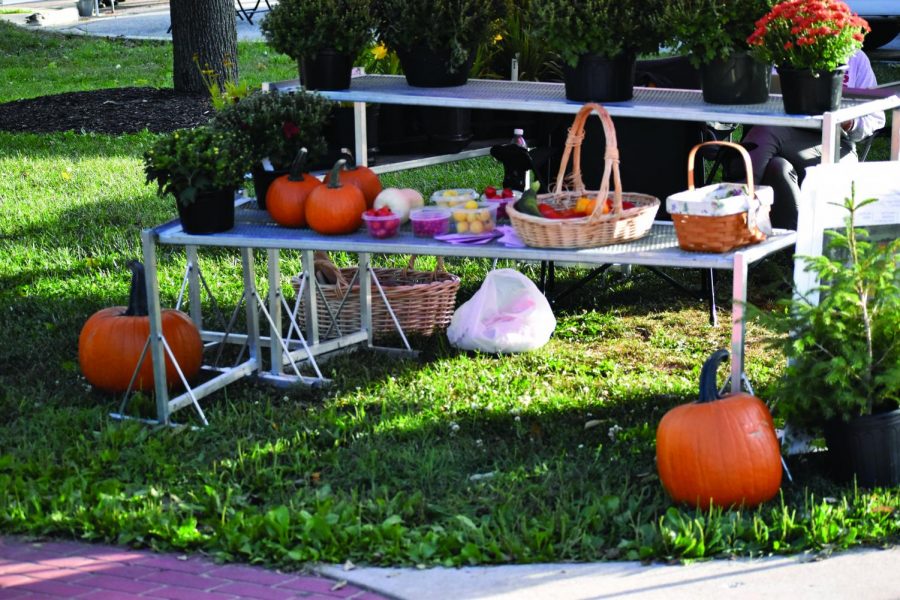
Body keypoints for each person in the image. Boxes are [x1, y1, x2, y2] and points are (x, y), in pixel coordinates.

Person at [728, 50, 885, 229]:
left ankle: (731, 212)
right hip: (789, 131)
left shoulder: (856, 58)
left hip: (837, 143)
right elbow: (769, 93)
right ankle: (798, 243)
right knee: (777, 165)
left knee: (767, 137)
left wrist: (850, 122)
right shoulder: (786, 51)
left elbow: (876, 118)